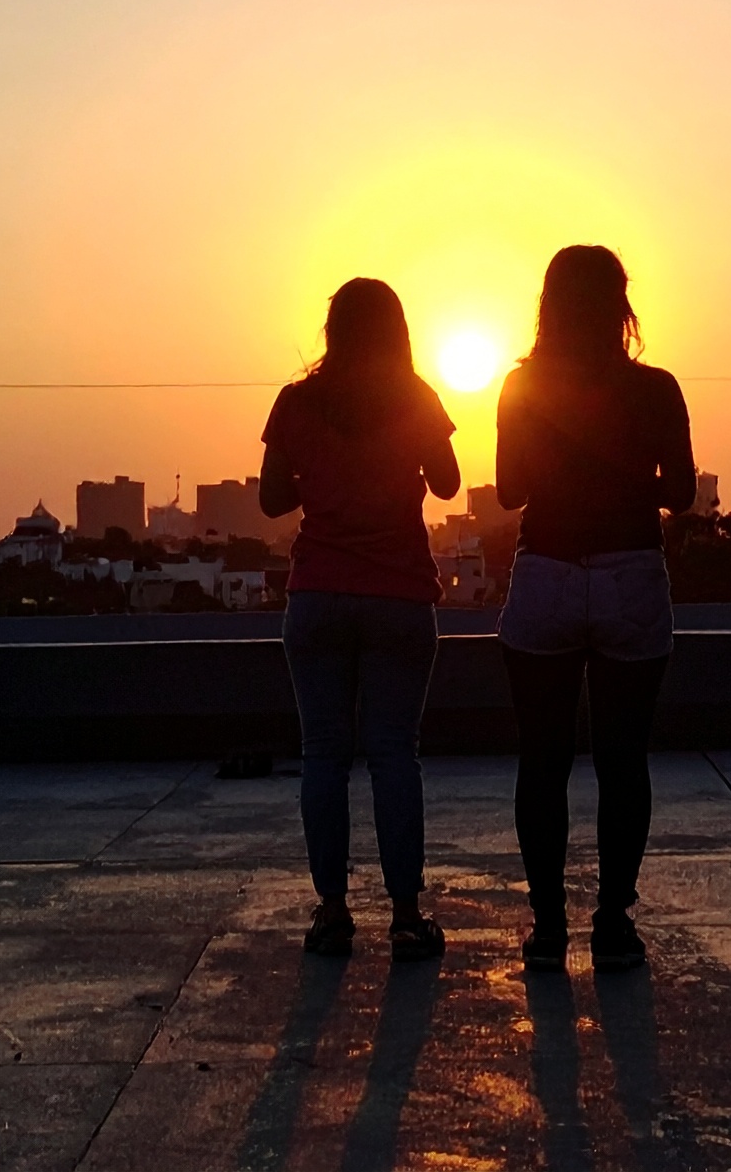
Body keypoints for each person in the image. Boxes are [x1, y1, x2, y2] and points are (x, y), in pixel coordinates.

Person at [493, 246, 697, 973]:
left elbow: (509, 491)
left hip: (546, 568)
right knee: (623, 761)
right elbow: (681, 492)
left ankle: (548, 927)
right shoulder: (656, 387)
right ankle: (613, 922)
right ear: (621, 303)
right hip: (631, 574)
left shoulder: (521, 384)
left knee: (542, 761)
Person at [258, 278, 462, 963]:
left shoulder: (297, 403)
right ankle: (406, 917)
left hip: (318, 594)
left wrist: (322, 478)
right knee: (394, 753)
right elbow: (449, 484)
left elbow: (270, 500)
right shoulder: (416, 397)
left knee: (324, 754)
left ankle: (332, 913)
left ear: (333, 330)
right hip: (399, 594)